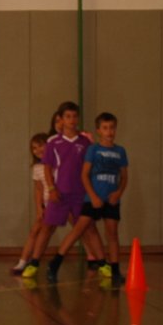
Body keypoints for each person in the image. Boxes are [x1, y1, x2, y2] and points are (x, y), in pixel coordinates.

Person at [22, 101, 109, 279]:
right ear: (61, 119)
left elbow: (91, 167)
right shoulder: (53, 142)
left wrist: (94, 192)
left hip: (80, 194)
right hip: (59, 193)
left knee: (89, 228)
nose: (71, 120)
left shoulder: (85, 142)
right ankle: (34, 263)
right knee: (47, 228)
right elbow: (47, 168)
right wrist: (51, 188)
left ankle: (103, 264)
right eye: (68, 116)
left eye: (75, 116)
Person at [46, 112, 128, 285]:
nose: (109, 131)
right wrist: (92, 196)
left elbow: (124, 177)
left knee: (112, 234)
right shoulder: (93, 149)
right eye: (105, 128)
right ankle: (55, 263)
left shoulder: (120, 151)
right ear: (98, 131)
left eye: (112, 128)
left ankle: (115, 270)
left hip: (112, 200)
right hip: (93, 199)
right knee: (78, 230)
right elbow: (84, 175)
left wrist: (119, 192)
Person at [12, 133, 49, 275]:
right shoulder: (37, 168)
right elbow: (38, 189)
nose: (38, 150)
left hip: (60, 202)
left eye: (41, 146)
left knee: (81, 228)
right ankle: (23, 261)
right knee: (35, 231)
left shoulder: (56, 164)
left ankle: (96, 258)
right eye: (34, 148)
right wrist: (39, 208)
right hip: (47, 204)